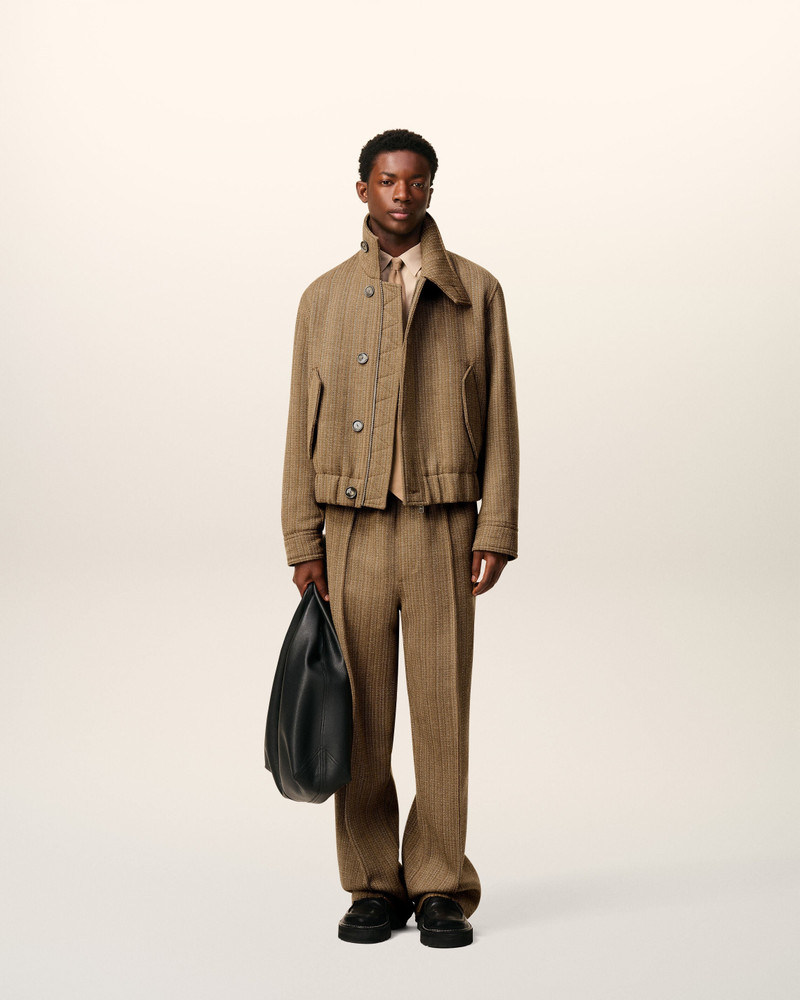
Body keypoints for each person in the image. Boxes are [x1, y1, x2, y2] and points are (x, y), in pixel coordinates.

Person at [280, 128, 519, 948]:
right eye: (387, 181)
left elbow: (501, 416)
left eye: (415, 182)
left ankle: (442, 883)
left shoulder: (476, 292)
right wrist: (302, 538)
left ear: (430, 189)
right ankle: (373, 884)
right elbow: (298, 425)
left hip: (444, 527)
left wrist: (496, 524)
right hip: (351, 532)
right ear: (363, 189)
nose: (402, 194)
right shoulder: (323, 298)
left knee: (442, 716)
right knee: (362, 719)